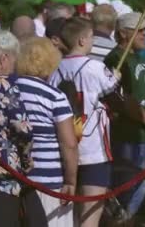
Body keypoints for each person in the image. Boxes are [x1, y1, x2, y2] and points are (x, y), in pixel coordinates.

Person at [49, 17, 119, 227]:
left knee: (65, 216)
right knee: (90, 216)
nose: (92, 42)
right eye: (90, 38)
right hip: (93, 149)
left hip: (63, 148)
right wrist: (115, 75)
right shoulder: (95, 67)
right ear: (81, 40)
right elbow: (112, 88)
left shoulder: (54, 69)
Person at [104, 12, 145, 221]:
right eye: (140, 30)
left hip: (144, 135)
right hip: (128, 135)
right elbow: (117, 96)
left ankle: (126, 219)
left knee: (141, 184)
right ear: (123, 33)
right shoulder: (115, 58)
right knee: (128, 186)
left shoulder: (138, 58)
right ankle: (121, 221)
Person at [16, 37, 78, 227]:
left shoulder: (9, 88)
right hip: (48, 182)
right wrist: (71, 181)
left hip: (15, 180)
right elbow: (69, 143)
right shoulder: (55, 96)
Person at [0, 30, 34, 226]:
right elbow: (23, 130)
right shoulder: (3, 86)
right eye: (14, 63)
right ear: (4, 58)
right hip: (0, 179)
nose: (14, 69)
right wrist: (26, 160)